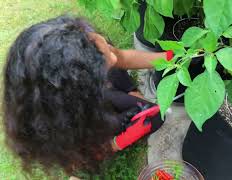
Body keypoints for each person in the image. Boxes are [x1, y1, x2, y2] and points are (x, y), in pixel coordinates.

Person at [3, 16, 172, 176]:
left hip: (94, 94)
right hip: (91, 108)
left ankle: (126, 91)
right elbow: (80, 161)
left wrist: (171, 58)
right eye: (109, 58)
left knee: (145, 107)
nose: (113, 57)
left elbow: (121, 57)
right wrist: (116, 143)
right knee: (155, 116)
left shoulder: (89, 46)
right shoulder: (60, 128)